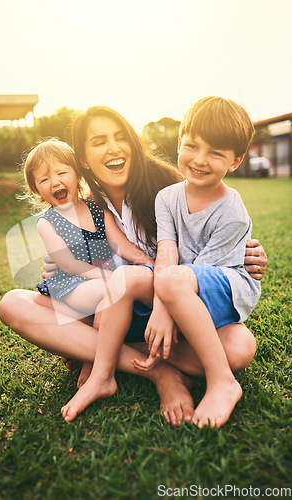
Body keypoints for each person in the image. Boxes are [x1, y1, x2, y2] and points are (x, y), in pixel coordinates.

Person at [0, 106, 267, 427]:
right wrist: (61, 263)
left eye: (120, 137)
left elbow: (213, 237)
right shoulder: (87, 204)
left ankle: (96, 352)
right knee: (13, 304)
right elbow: (74, 259)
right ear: (83, 159)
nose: (112, 147)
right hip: (110, 310)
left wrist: (251, 252)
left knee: (238, 348)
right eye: (99, 141)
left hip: (168, 308)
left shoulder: (168, 187)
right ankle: (156, 370)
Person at [133, 97, 261, 428]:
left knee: (237, 350)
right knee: (133, 278)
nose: (200, 160)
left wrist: (164, 309)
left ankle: (222, 382)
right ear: (179, 142)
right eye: (192, 145)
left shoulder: (232, 211)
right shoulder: (167, 198)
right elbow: (167, 252)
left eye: (216, 153)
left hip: (224, 287)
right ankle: (141, 351)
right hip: (179, 287)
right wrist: (162, 304)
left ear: (235, 161)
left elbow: (199, 274)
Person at [22, 138, 156, 420]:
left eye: (61, 173)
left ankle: (92, 360)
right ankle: (95, 364)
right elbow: (69, 265)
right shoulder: (48, 222)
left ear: (77, 174)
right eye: (44, 179)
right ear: (36, 189)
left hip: (103, 282)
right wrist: (110, 277)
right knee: (108, 293)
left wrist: (150, 263)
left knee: (110, 295)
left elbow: (121, 245)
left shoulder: (97, 208)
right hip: (73, 287)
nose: (54, 182)